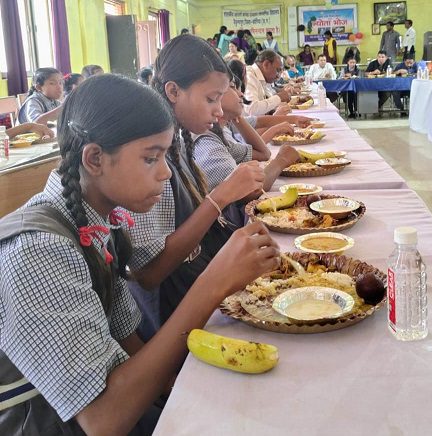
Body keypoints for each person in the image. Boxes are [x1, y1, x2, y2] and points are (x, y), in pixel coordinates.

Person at [0, 73, 280, 434]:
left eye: (165, 156)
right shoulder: (37, 251)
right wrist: (213, 284)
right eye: (151, 158)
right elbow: (103, 420)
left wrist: (201, 396)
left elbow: (132, 348)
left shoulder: (98, 222)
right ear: (95, 159)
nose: (165, 173)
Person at [129, 35, 270, 336]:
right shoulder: (149, 158)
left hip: (200, 290)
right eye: (211, 99)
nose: (218, 111)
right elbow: (149, 273)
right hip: (176, 317)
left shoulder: (181, 142)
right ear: (173, 91)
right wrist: (221, 197)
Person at [193, 76, 299, 191]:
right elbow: (248, 191)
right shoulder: (207, 143)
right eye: (233, 87)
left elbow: (263, 154)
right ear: (215, 95)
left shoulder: (222, 130)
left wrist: (237, 115)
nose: (241, 94)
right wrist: (282, 160)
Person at [244, 49, 291, 116]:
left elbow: (267, 101)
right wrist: (279, 98)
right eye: (277, 70)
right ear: (266, 64)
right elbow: (252, 109)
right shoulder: (249, 75)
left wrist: (276, 107)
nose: (278, 76)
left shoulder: (263, 77)